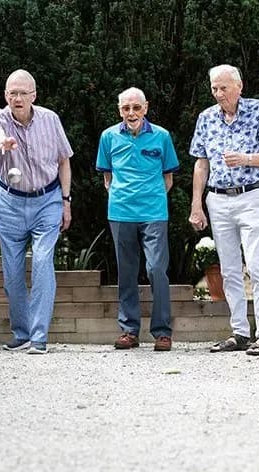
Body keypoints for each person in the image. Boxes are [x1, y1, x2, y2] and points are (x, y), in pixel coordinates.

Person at [188, 64, 259, 356]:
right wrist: (197, 204)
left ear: (239, 87)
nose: (219, 94)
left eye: (224, 88)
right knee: (229, 270)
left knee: (256, 264)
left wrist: (247, 158)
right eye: (214, 88)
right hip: (218, 200)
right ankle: (240, 332)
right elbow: (201, 163)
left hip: (251, 196)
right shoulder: (206, 118)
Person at [0, 69, 73, 355]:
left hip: (47, 200)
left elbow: (63, 161)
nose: (17, 98)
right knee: (12, 273)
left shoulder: (50, 119)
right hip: (9, 203)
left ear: (34, 95)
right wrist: (3, 142)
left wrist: (66, 200)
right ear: (5, 95)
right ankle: (21, 333)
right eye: (12, 93)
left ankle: (39, 337)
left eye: (23, 93)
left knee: (43, 262)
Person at [95, 87, 179, 351]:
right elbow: (106, 178)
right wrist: (123, 197)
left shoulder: (162, 136)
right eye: (125, 108)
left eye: (136, 108)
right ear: (119, 110)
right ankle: (129, 331)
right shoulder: (108, 137)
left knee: (156, 269)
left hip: (154, 213)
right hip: (121, 213)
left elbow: (168, 179)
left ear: (146, 108)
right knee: (127, 272)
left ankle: (162, 332)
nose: (131, 113)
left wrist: (150, 198)